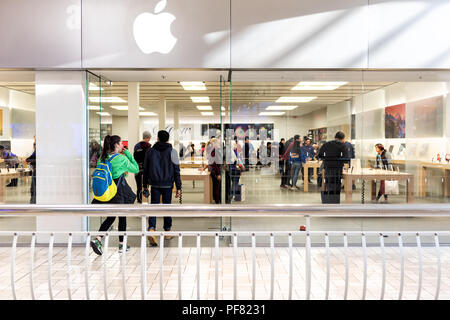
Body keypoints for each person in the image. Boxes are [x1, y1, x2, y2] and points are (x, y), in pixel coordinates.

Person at [90, 135, 139, 255]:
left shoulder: (103, 157)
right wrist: (127, 153)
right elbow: (136, 168)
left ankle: (98, 239)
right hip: (118, 192)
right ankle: (122, 245)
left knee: (111, 217)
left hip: (107, 192)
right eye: (121, 143)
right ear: (116, 145)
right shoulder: (121, 159)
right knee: (122, 216)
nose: (122, 145)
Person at [143, 130, 182, 246]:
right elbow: (176, 171)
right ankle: (167, 231)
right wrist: (179, 187)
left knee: (153, 207)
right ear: (168, 139)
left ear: (158, 138)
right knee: (167, 207)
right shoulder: (173, 152)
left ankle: (151, 229)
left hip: (154, 184)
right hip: (168, 184)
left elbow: (145, 170)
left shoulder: (150, 151)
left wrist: (145, 186)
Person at [317, 131, 348, 204]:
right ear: (342, 139)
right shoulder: (343, 146)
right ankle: (335, 203)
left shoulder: (326, 144)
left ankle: (329, 202)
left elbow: (319, 156)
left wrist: (327, 158)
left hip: (327, 168)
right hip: (337, 169)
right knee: (337, 186)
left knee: (329, 185)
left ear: (335, 137)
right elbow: (346, 159)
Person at [133, 131, 152, 204]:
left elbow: (134, 158)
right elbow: (149, 159)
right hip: (145, 170)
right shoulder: (148, 146)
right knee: (145, 187)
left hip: (137, 169)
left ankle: (139, 201)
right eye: (149, 138)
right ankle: (145, 201)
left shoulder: (136, 146)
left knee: (138, 186)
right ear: (147, 138)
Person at [203, 138, 222, 204]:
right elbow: (214, 163)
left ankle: (216, 200)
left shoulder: (212, 150)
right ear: (214, 143)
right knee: (217, 188)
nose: (219, 144)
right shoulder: (214, 151)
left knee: (215, 187)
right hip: (215, 171)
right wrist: (218, 173)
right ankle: (217, 202)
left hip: (214, 170)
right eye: (218, 143)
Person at [26, 140, 36, 204]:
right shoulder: (35, 152)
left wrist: (31, 161)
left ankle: (33, 203)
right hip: (35, 170)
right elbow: (27, 159)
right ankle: (32, 203)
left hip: (38, 171)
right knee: (33, 189)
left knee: (34, 188)